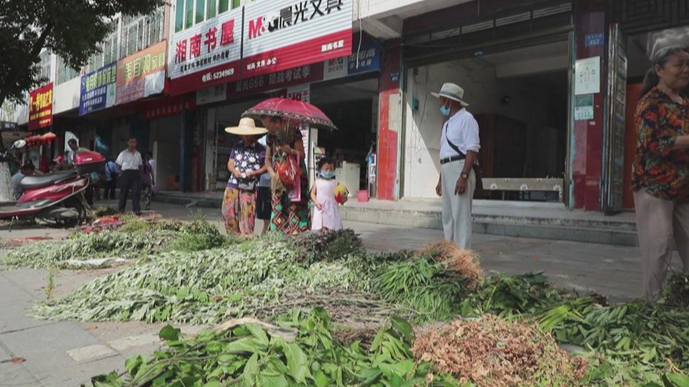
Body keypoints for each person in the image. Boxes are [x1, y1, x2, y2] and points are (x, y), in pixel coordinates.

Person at [632, 46, 689, 302]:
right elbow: (650, 142)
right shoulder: (649, 103)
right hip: (654, 185)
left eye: (688, 64)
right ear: (659, 70)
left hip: (683, 187)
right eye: (679, 64)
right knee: (660, 245)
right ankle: (651, 307)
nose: (686, 69)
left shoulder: (685, 104)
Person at [432, 83, 480, 250]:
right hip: (448, 169)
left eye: (442, 99)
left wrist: (464, 176)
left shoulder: (467, 119)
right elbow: (445, 154)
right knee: (448, 216)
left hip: (460, 168)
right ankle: (450, 252)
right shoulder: (448, 124)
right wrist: (441, 179)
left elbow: (472, 150)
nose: (440, 103)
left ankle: (463, 256)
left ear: (449, 101)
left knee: (461, 216)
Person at [262, 115, 311, 236]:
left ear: (277, 122)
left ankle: (298, 236)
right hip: (279, 176)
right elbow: (267, 160)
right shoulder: (270, 136)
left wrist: (291, 151)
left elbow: (302, 154)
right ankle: (278, 237)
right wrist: (274, 176)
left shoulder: (294, 132)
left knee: (296, 207)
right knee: (278, 207)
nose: (266, 128)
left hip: (295, 176)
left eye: (267, 124)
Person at [221, 118, 267, 235]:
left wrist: (254, 173)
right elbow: (230, 163)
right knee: (228, 209)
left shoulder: (260, 149)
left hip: (249, 185)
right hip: (233, 182)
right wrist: (234, 171)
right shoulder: (236, 146)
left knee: (248, 213)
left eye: (248, 134)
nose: (246, 137)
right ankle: (233, 235)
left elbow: (267, 166)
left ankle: (246, 237)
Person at [311, 157, 344, 232]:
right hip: (321, 207)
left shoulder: (336, 183)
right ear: (320, 170)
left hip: (332, 208)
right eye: (326, 169)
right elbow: (312, 193)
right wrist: (315, 201)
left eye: (331, 169)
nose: (328, 171)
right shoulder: (317, 182)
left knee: (332, 225)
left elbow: (340, 197)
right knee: (321, 223)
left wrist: (342, 198)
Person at [116, 137, 143, 215]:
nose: (132, 144)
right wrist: (120, 173)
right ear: (127, 143)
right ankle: (121, 209)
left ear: (136, 144)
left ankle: (136, 209)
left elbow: (140, 165)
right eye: (130, 142)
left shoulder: (138, 154)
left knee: (136, 192)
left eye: (134, 142)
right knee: (124, 192)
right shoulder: (123, 153)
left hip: (135, 173)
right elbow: (118, 164)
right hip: (126, 173)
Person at [257, 135, 272, 235]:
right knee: (262, 211)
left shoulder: (278, 140)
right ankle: (265, 230)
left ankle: (266, 231)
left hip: (272, 182)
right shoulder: (260, 141)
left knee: (268, 210)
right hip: (261, 183)